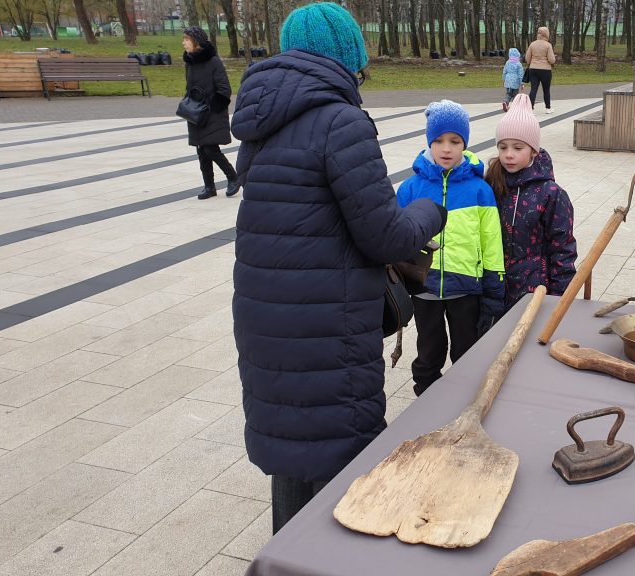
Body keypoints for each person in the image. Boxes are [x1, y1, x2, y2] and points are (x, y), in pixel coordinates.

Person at [229, 3, 447, 534]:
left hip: (269, 318)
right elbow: (384, 235)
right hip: (325, 322)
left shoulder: (263, 121)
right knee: (338, 466)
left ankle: (283, 559)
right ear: (347, 56)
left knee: (292, 444)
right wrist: (429, 209)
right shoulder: (341, 121)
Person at [396, 100, 505, 397]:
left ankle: (463, 401)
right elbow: (397, 236)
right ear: (429, 142)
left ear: (464, 144)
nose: (446, 148)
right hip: (424, 285)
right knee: (429, 350)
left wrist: (494, 280)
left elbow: (491, 239)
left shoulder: (479, 189)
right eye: (439, 141)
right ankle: (427, 401)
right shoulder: (410, 188)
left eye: (455, 141)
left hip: (466, 286)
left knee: (466, 351)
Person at [486, 94, 577, 308]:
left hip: (536, 291)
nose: (508, 155)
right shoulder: (492, 184)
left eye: (518, 148)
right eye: (503, 147)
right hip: (496, 291)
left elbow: (563, 248)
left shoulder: (551, 194)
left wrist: (557, 298)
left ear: (534, 150)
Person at [181, 26, 239, 200]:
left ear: (196, 41)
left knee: (210, 149)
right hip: (195, 114)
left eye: (186, 39)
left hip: (212, 113)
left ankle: (234, 178)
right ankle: (209, 186)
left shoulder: (213, 62)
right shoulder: (190, 62)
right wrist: (188, 103)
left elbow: (224, 89)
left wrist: (212, 109)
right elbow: (189, 87)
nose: (183, 42)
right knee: (201, 150)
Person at [526, 26, 556, 114]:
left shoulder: (532, 44)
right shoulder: (548, 45)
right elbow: (551, 59)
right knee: (546, 90)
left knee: (533, 89)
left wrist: (531, 62)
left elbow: (527, 58)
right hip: (545, 70)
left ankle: (530, 108)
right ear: (547, 34)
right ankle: (548, 108)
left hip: (533, 69)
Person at [502, 48, 524, 112]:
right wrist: (522, 83)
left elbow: (504, 71)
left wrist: (504, 79)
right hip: (515, 81)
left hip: (508, 80)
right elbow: (521, 74)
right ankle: (515, 107)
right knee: (515, 95)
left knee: (508, 94)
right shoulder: (518, 64)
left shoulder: (507, 62)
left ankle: (505, 102)